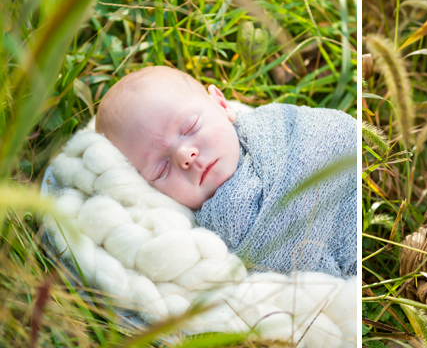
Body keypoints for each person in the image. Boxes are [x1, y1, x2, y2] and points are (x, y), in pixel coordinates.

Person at [96, 66, 357, 277]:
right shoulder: (213, 224)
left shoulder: (274, 127)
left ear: (222, 105)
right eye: (161, 169)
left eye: (190, 127)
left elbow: (338, 136)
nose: (186, 156)